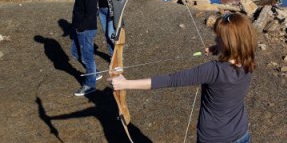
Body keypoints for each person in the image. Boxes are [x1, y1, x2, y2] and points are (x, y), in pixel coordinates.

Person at [110, 13, 256, 143]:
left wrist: (125, 84)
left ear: (230, 43)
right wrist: (217, 48)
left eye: (219, 37)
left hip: (215, 138)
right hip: (241, 134)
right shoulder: (248, 61)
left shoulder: (213, 70)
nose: (215, 38)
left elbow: (171, 79)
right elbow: (237, 49)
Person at [68, 0, 99, 96]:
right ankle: (95, 73)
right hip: (79, 28)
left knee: (87, 57)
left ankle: (90, 85)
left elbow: (92, 13)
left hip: (86, 30)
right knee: (75, 52)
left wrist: (81, 28)